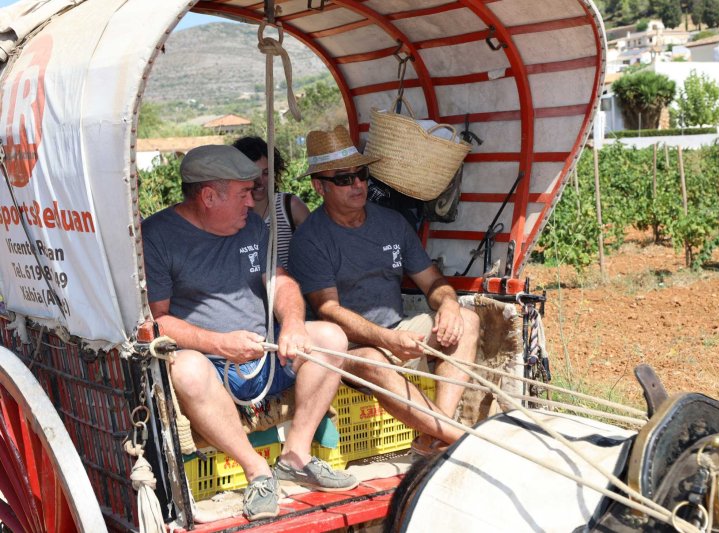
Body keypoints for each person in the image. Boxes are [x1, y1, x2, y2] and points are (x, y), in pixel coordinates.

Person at [142, 145, 358, 521]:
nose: (253, 198)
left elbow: (281, 281)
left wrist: (291, 323)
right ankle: (257, 471)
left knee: (331, 338)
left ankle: (296, 454)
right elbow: (157, 320)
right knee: (186, 369)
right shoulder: (157, 236)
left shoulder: (253, 226)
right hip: (212, 365)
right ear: (209, 196)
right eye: (244, 191)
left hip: (267, 357)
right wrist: (219, 344)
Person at [288, 126, 480, 457]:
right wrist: (386, 340)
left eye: (361, 174)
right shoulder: (311, 238)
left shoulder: (391, 222)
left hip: (397, 332)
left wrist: (448, 303)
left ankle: (436, 437)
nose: (358, 184)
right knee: (376, 360)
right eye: (344, 179)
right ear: (319, 186)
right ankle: (458, 437)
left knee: (468, 320)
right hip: (348, 349)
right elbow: (329, 310)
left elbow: (432, 282)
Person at [233, 136, 310, 269]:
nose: (259, 181)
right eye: (252, 174)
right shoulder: (229, 214)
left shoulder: (290, 207)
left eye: (266, 173)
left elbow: (317, 252)